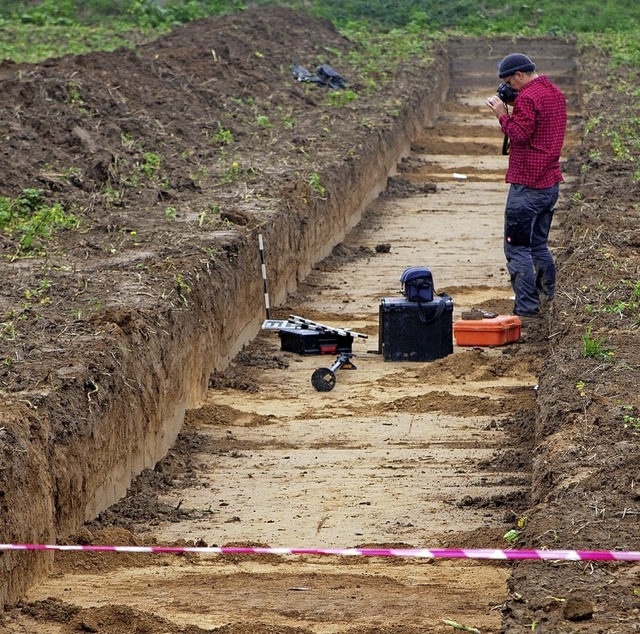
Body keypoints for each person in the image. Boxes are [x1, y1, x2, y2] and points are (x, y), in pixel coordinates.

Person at [485, 53, 567, 318]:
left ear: (519, 75)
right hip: (549, 183)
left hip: (527, 185)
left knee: (517, 247)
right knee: (538, 245)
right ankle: (547, 301)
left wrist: (502, 115)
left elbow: (519, 134)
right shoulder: (553, 93)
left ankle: (527, 310)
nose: (508, 88)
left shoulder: (529, 99)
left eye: (510, 82)